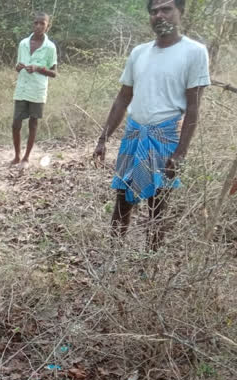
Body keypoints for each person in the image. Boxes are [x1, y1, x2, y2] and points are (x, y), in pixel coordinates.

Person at [93, 0, 210, 251]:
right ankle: (113, 258)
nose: (159, 15)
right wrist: (103, 138)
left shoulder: (195, 52)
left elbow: (193, 107)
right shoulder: (139, 52)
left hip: (164, 135)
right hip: (134, 133)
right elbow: (123, 97)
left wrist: (180, 153)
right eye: (154, 11)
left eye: (166, 9)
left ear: (181, 12)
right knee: (122, 200)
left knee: (158, 205)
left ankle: (150, 264)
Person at [11, 13, 58, 168]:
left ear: (47, 26)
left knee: (33, 124)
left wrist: (38, 68)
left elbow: (54, 73)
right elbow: (19, 65)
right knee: (16, 124)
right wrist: (18, 67)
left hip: (37, 90)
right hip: (22, 88)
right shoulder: (24, 43)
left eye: (42, 23)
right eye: (36, 23)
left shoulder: (50, 47)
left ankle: (26, 157)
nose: (38, 26)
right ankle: (17, 156)